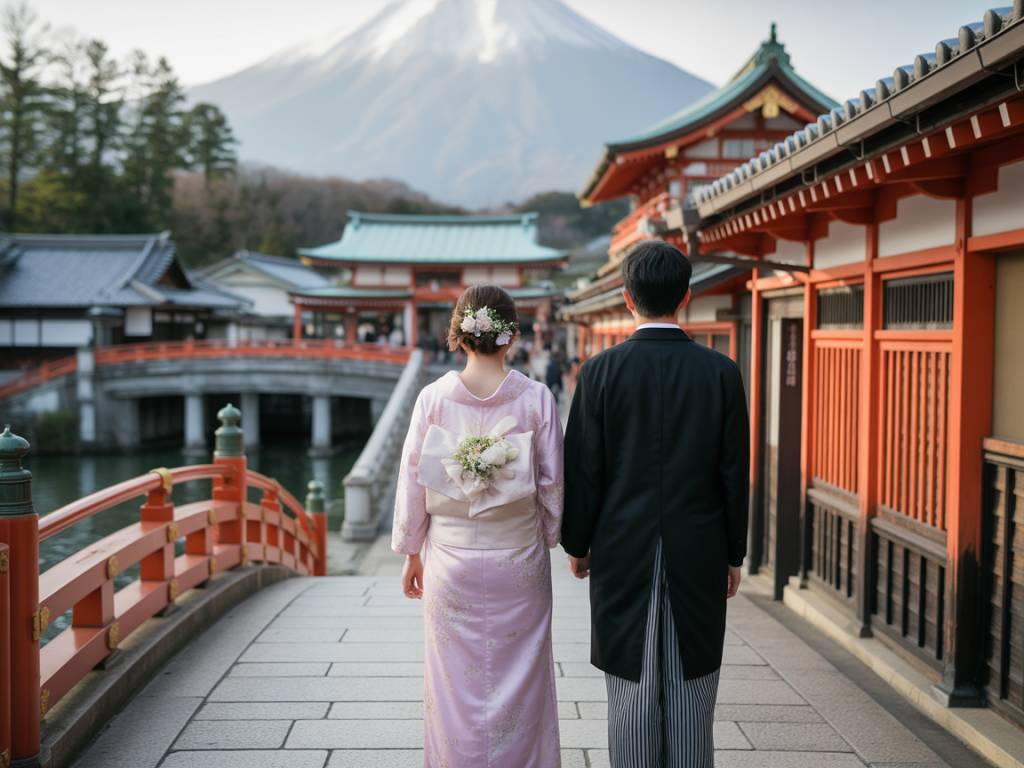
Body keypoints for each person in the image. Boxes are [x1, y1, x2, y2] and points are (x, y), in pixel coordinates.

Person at [562, 240, 749, 768]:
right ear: (686, 296)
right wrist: (735, 554)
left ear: (626, 298)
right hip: (700, 548)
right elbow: (734, 473)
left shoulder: (599, 373)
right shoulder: (721, 372)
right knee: (693, 692)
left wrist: (577, 542)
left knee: (631, 693)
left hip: (622, 550)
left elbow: (584, 469)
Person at [393, 284, 564, 768]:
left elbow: (411, 479)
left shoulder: (433, 398)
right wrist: (549, 534)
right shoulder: (536, 399)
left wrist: (412, 551)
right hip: (519, 562)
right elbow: (552, 484)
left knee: (453, 687)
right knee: (523, 682)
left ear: (460, 336)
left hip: (451, 561)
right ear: (510, 335)